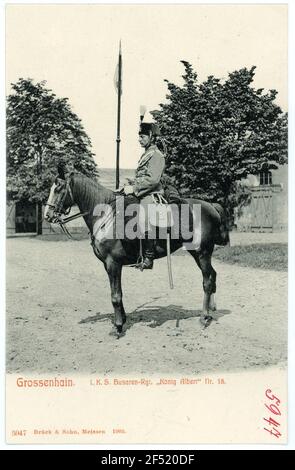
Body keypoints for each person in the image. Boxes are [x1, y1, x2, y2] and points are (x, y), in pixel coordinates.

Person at [124, 122, 165, 269]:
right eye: (139, 137)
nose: (139, 139)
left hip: (151, 194)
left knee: (144, 217)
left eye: (142, 136)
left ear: (151, 137)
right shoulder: (146, 154)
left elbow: (153, 180)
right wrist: (127, 187)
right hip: (141, 192)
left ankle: (148, 257)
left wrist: (134, 188)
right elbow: (142, 176)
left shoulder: (157, 155)